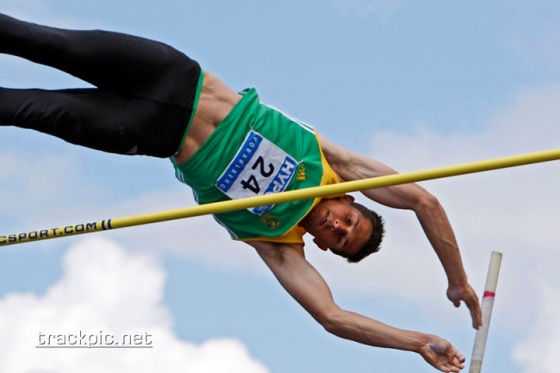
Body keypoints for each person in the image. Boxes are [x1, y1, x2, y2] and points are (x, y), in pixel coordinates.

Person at [0, 13, 481, 372]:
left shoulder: (278, 244)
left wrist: (416, 341)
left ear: (321, 246)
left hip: (145, 132)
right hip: (171, 76)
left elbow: (332, 317)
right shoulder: (339, 165)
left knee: (21, 109)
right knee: (37, 39)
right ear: (351, 199)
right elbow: (425, 201)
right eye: (348, 223)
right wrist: (457, 279)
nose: (336, 228)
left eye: (338, 241)